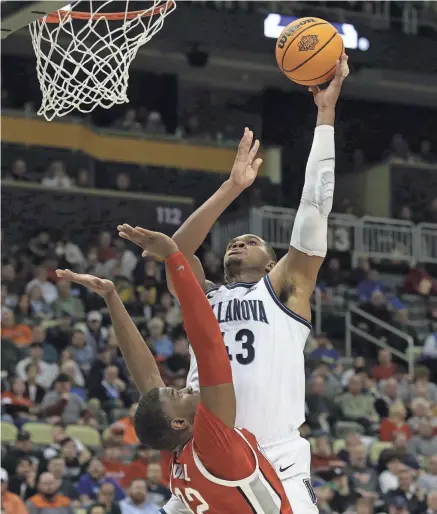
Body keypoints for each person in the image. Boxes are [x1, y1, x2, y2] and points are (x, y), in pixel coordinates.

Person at [118, 54, 350, 514]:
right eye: (235, 241)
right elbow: (176, 257)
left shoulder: (284, 292)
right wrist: (231, 188)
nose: (241, 240)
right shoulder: (208, 295)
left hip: (274, 455)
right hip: (207, 453)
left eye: (253, 240)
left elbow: (313, 210)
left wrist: (326, 115)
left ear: (272, 265)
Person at [56, 229, 294, 513]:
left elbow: (144, 374)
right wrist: (175, 260)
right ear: (180, 422)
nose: (187, 387)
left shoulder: (175, 448)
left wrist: (111, 298)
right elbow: (209, 348)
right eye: (179, 393)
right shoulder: (213, 444)